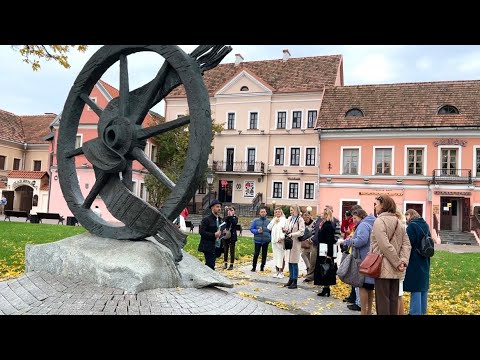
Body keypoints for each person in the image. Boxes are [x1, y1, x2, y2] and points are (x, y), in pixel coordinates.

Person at [370, 195, 411, 315]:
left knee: (382, 303)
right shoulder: (399, 222)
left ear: (383, 205)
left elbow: (384, 245)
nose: (375, 207)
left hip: (382, 267)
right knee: (393, 302)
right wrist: (402, 261)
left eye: (376, 204)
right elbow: (407, 245)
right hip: (396, 270)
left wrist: (399, 262)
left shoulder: (379, 221)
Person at [338, 209, 376, 314]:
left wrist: (347, 241)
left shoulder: (363, 225)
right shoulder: (372, 222)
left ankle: (364, 311)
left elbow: (361, 240)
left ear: (361, 216)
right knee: (370, 287)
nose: (353, 220)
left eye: (355, 218)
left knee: (362, 286)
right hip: (371, 259)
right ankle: (369, 311)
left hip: (363, 259)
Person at [404, 209, 431, 315]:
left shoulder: (412, 226)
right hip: (425, 256)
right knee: (423, 285)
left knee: (415, 286)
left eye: (406, 216)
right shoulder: (425, 224)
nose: (406, 219)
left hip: (415, 258)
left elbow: (408, 243)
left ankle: (415, 312)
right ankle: (422, 310)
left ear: (410, 215)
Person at [314, 207, 336, 296]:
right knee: (323, 268)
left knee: (326, 268)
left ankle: (326, 288)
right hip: (322, 248)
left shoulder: (328, 225)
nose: (321, 215)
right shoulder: (324, 224)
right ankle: (325, 288)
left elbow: (330, 240)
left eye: (323, 213)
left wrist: (329, 253)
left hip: (325, 250)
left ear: (326, 214)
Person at [282, 204, 305, 289]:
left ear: (296, 210)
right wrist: (285, 230)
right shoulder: (289, 219)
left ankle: (295, 281)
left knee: (294, 261)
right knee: (289, 261)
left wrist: (293, 234)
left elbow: (302, 231)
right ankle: (290, 279)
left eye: (292, 210)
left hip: (295, 242)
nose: (290, 212)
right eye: (290, 210)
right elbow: (287, 227)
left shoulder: (300, 219)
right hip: (289, 242)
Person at [198, 199, 223, 270]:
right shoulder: (206, 219)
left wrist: (223, 233)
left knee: (212, 264)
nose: (219, 209)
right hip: (208, 246)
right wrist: (213, 235)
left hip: (217, 245)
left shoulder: (220, 219)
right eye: (217, 207)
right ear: (212, 208)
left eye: (220, 207)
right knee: (210, 265)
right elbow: (202, 232)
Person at [267, 206, 288, 278]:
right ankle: (277, 271)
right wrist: (273, 221)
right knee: (275, 256)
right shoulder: (274, 220)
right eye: (276, 212)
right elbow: (268, 228)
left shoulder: (284, 220)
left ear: (281, 212)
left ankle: (281, 272)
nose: (277, 213)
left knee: (281, 256)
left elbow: (285, 230)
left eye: (279, 212)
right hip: (274, 240)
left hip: (280, 241)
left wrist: (282, 238)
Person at [250, 206, 271, 272]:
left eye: (264, 212)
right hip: (257, 240)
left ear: (266, 213)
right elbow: (251, 228)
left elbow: (271, 231)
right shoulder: (255, 221)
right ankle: (254, 267)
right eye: (261, 212)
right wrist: (257, 231)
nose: (263, 213)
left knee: (264, 254)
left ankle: (262, 267)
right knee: (256, 254)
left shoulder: (269, 221)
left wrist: (270, 238)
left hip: (265, 241)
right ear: (259, 213)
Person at [395, 209, 407, 315]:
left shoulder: (400, 228)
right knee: (399, 293)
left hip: (398, 264)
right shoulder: (403, 227)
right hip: (401, 263)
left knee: (397, 294)